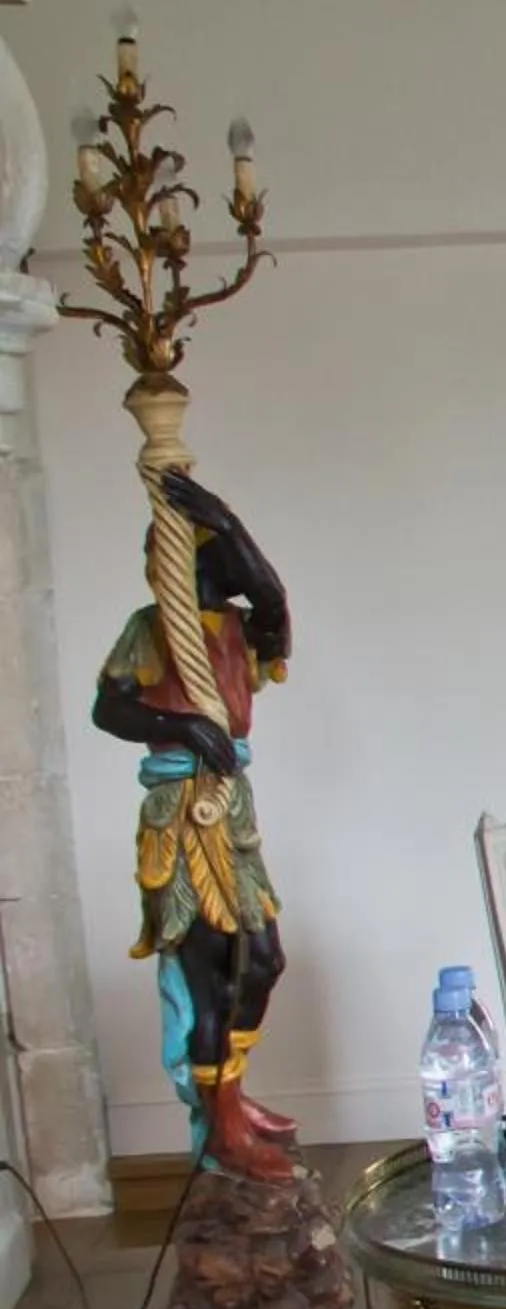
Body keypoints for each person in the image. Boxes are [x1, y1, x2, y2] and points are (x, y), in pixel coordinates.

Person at [89, 471, 298, 1186]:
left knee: (263, 959)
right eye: (210, 553)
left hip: (230, 811)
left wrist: (230, 521)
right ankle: (223, 1121)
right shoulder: (150, 629)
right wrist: (175, 724)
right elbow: (109, 710)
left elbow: (271, 599)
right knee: (209, 970)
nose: (227, 569)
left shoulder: (240, 630)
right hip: (180, 812)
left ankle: (230, 1095)